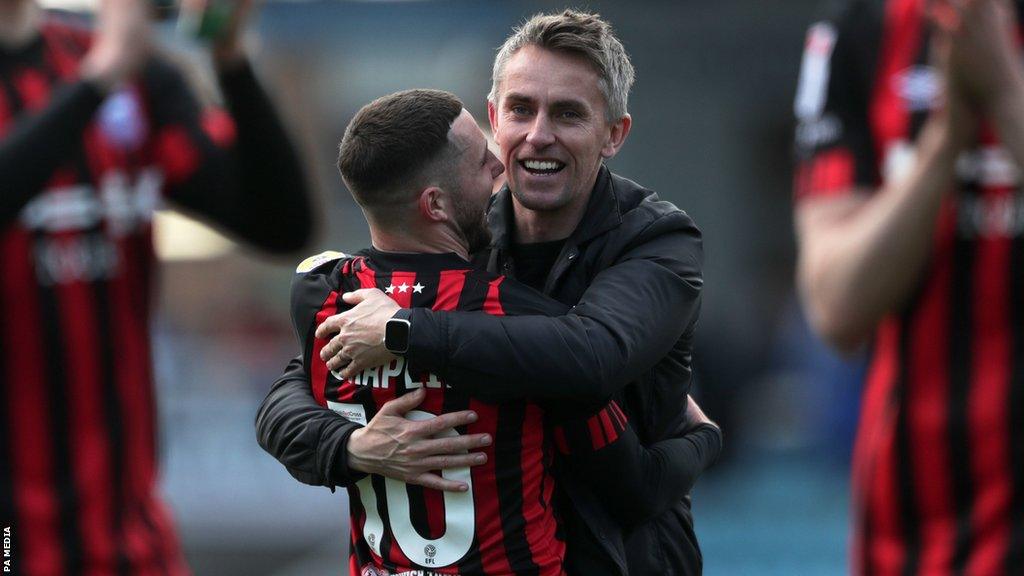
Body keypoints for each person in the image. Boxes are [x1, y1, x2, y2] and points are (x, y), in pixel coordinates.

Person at [259, 10, 717, 575]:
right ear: (494, 118)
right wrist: (351, 448)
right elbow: (288, 393)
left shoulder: (658, 240)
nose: (538, 135)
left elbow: (591, 356)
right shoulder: (456, 240)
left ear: (614, 135)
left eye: (568, 114)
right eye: (522, 109)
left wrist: (404, 331)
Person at [0, 0, 312, 573]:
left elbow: (281, 223)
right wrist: (99, 78)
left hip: (134, 544)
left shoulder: (122, 68)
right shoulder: (108, 66)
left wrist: (231, 60)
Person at [793, 0, 1024, 573]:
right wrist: (946, 142)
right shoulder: (859, 31)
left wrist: (1004, 95)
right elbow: (836, 308)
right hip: (917, 538)